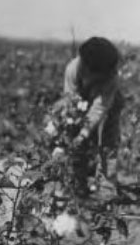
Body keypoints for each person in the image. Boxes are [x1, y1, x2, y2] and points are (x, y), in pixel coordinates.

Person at [47, 36, 124, 197]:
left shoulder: (111, 78)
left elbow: (98, 109)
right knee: (74, 141)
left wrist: (84, 134)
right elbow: (70, 101)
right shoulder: (73, 69)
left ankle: (106, 186)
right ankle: (76, 183)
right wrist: (74, 132)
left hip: (109, 104)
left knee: (109, 142)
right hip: (78, 103)